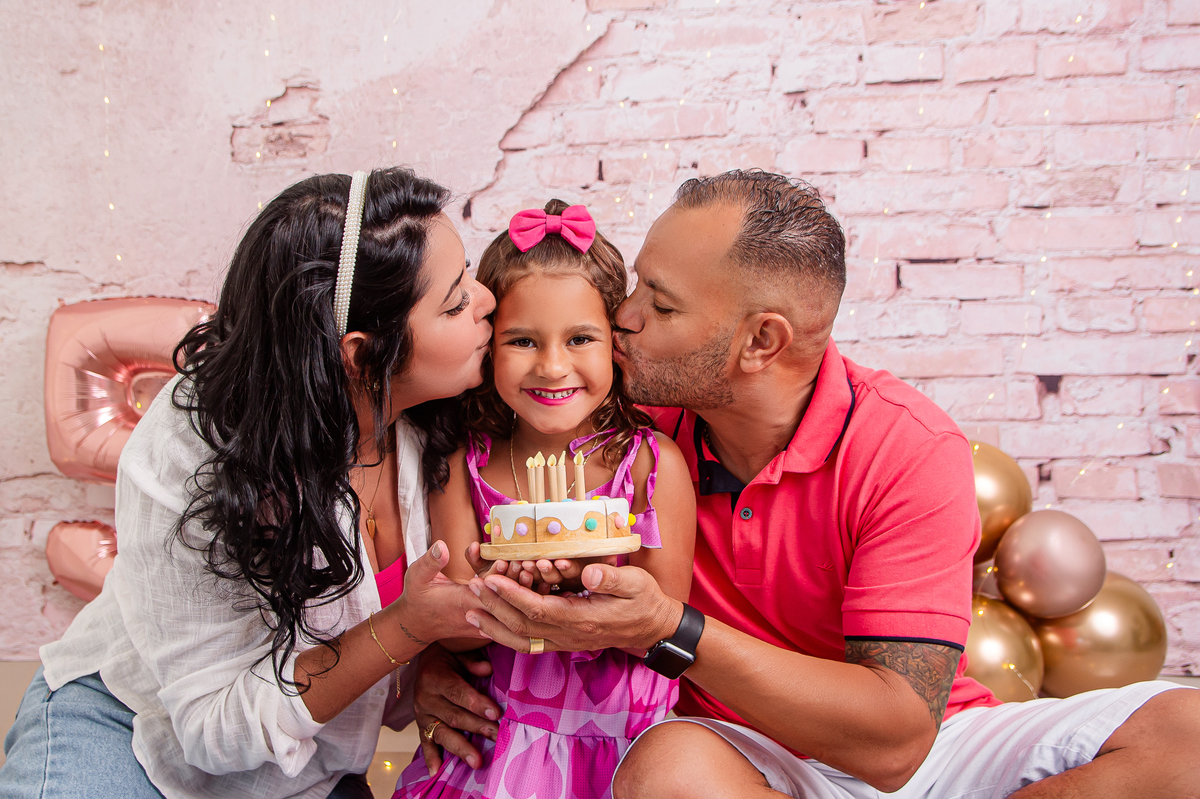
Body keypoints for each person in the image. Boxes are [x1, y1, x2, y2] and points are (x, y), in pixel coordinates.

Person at [417, 170, 1200, 799]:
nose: (624, 318)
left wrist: (668, 627)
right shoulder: (622, 425)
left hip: (930, 749)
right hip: (738, 754)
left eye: (659, 302)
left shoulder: (904, 447)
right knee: (667, 776)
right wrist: (436, 659)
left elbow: (897, 745)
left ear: (762, 341)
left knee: (1188, 736)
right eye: (636, 289)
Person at [0, 167, 498, 799]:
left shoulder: (443, 422)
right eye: (455, 302)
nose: (486, 301)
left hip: (304, 768)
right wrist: (405, 631)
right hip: (130, 728)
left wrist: (427, 662)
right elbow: (212, 731)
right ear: (363, 354)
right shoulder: (196, 451)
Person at [391, 200, 695, 799]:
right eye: (523, 340)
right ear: (488, 344)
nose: (553, 367)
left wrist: (592, 582)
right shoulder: (464, 461)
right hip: (498, 745)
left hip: (623, 747)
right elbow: (456, 635)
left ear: (615, 341)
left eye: (580, 338)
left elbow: (663, 630)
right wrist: (501, 590)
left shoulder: (650, 463)